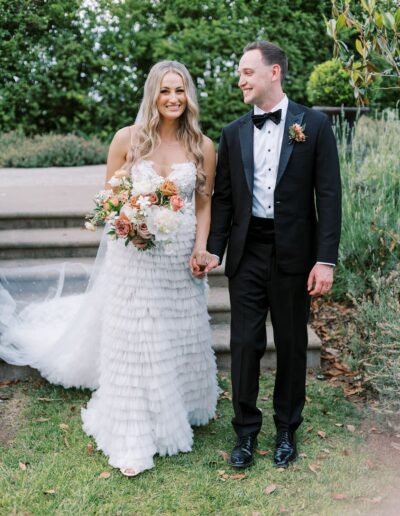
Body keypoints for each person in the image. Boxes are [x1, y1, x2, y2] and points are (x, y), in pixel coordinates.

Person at [0, 60, 218, 476]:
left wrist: (202, 248)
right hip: (134, 255)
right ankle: (132, 431)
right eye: (165, 90)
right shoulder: (128, 140)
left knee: (177, 331)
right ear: (152, 95)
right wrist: (130, 223)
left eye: (180, 90)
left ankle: (183, 405)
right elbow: (111, 195)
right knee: (138, 338)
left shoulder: (202, 145)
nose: (173, 98)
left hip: (179, 256)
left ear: (189, 96)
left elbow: (204, 204)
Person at [194, 41, 341, 469]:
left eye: (247, 72)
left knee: (293, 344)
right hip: (248, 252)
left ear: (273, 73)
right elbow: (223, 200)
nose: (240, 80)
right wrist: (213, 250)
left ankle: (286, 431)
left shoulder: (313, 125)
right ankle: (244, 433)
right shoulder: (232, 132)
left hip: (296, 254)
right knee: (244, 343)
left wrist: (325, 259)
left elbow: (329, 197)